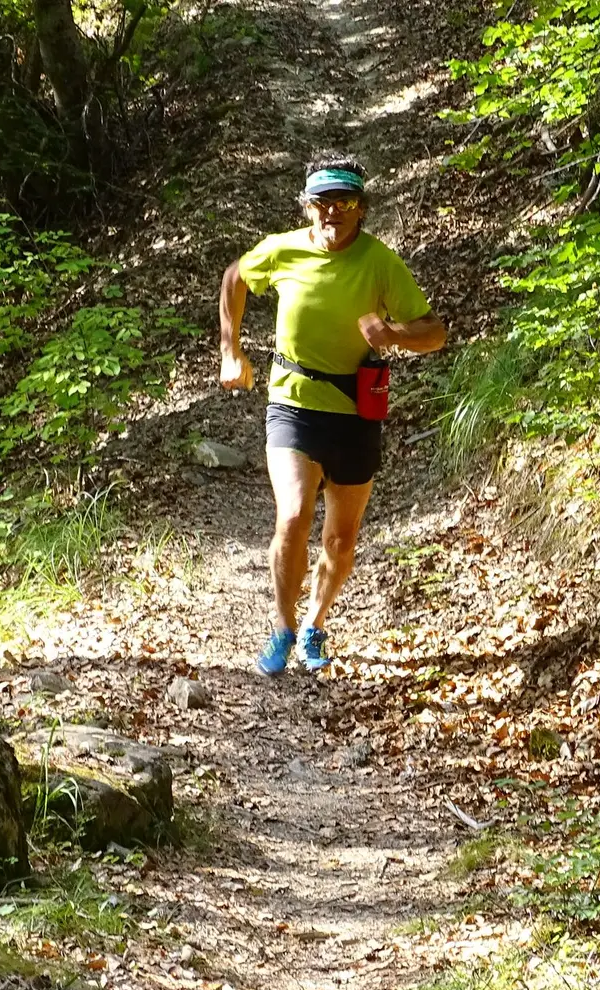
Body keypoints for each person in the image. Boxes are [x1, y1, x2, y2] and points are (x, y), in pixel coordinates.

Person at [218, 155, 447, 675]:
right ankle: (282, 625)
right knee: (294, 514)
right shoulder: (282, 251)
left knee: (341, 538)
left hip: (355, 411)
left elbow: (434, 332)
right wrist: (231, 350)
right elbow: (234, 277)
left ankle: (315, 626)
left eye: (343, 203)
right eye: (322, 203)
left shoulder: (380, 263)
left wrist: (394, 336)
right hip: (293, 403)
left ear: (361, 209)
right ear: (307, 207)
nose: (332, 213)